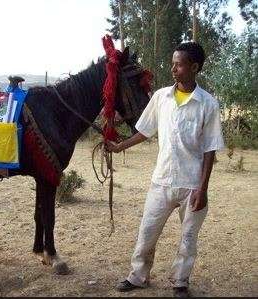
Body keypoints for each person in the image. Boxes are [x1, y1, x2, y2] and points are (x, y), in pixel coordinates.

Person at [106, 41, 224, 297]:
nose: (173, 69)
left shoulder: (208, 104)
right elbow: (144, 131)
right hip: (161, 181)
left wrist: (202, 190)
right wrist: (119, 147)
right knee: (147, 231)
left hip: (192, 185)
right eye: (172, 64)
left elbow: (210, 150)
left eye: (179, 65)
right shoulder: (161, 97)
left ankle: (180, 281)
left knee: (188, 238)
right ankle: (138, 276)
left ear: (194, 67)